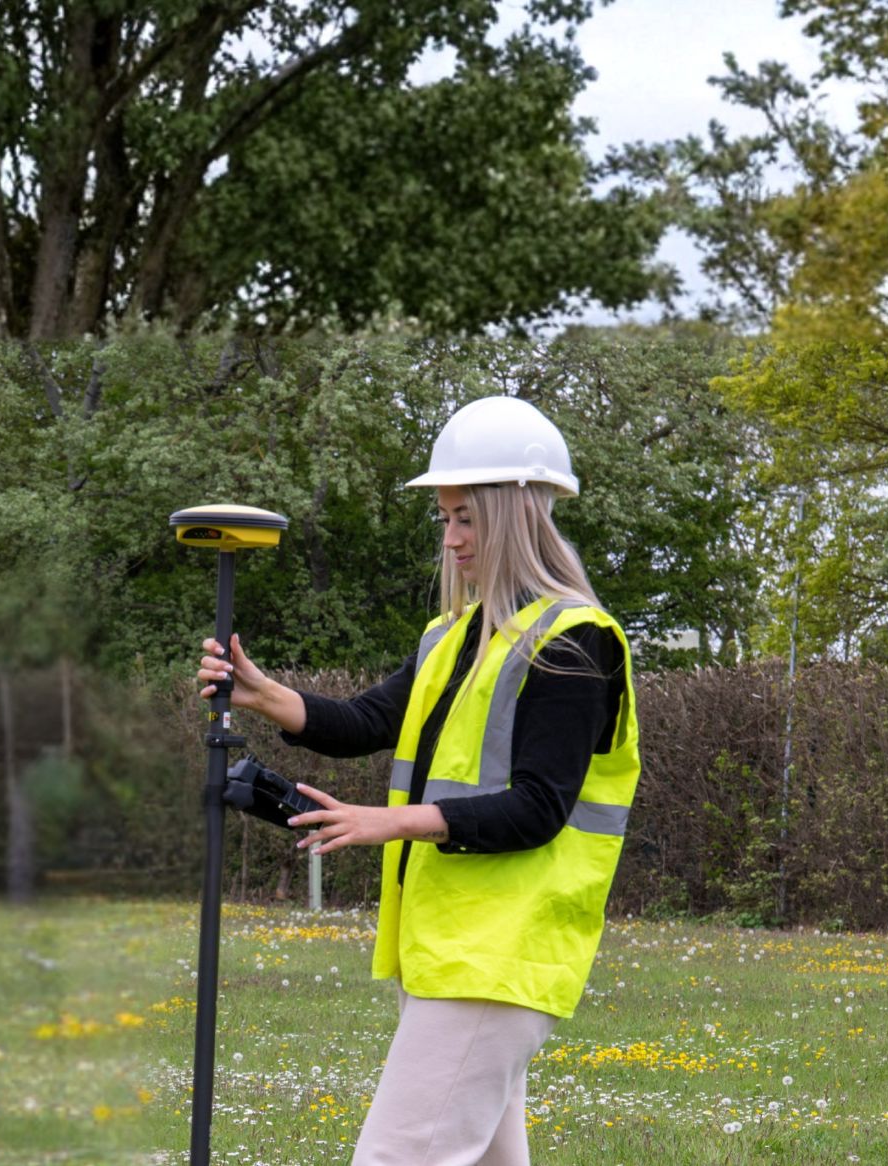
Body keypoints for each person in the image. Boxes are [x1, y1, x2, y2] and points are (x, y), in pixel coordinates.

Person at [195, 395, 639, 1166]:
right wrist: (265, 694)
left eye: (466, 516)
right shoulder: (455, 636)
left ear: (516, 514)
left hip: (499, 953)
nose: (452, 537)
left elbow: (539, 808)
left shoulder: (573, 645)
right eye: (444, 518)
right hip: (450, 947)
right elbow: (366, 722)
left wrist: (385, 822)